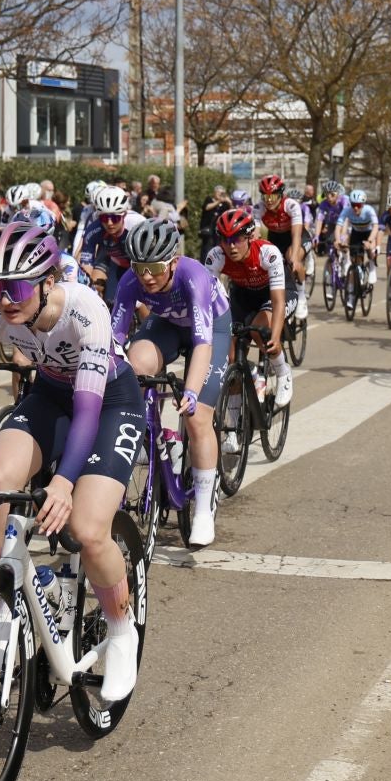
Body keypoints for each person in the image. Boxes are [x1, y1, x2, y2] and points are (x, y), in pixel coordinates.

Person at [0, 221, 144, 702]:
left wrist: (64, 483)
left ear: (48, 281)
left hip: (110, 403)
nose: (4, 299)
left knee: (90, 528)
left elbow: (90, 407)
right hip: (52, 398)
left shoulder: (85, 309)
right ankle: (6, 604)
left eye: (15, 287)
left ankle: (121, 630)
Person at [112, 219, 230, 546]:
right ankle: (149, 430)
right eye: (139, 267)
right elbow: (113, 340)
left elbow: (203, 343)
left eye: (154, 267)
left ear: (174, 262)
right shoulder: (130, 281)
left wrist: (191, 392)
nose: (146, 276)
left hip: (210, 329)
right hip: (166, 323)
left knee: (197, 417)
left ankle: (204, 508)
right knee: (135, 365)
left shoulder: (193, 278)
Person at [204, 208, 292, 406]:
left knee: (260, 331)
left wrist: (276, 337)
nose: (231, 246)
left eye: (237, 239)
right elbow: (209, 302)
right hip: (244, 294)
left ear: (249, 237)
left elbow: (278, 301)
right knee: (230, 360)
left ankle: (282, 371)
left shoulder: (267, 253)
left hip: (273, 293)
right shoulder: (216, 256)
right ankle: (233, 428)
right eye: (226, 240)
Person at [74, 185, 143, 303]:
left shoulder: (138, 225)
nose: (109, 223)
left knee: (141, 303)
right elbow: (86, 266)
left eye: (115, 218)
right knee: (104, 299)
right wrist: (90, 287)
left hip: (140, 264)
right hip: (116, 263)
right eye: (104, 218)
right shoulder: (93, 230)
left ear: (124, 215)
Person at [256, 175, 307, 317]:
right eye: (266, 197)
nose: (269, 200)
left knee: (292, 258)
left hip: (296, 236)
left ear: (281, 195)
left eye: (273, 196)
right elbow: (255, 234)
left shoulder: (290, 205)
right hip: (276, 237)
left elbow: (296, 234)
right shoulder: (259, 207)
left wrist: (295, 259)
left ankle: (301, 294)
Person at [335, 189, 381, 315]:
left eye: (358, 205)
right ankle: (351, 295)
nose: (355, 208)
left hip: (368, 233)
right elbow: (338, 226)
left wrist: (370, 241)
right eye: (353, 205)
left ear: (363, 205)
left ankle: (371, 268)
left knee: (370, 249)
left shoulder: (369, 210)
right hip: (356, 233)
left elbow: (376, 227)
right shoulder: (347, 211)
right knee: (354, 262)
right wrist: (338, 240)